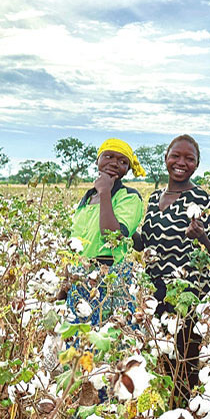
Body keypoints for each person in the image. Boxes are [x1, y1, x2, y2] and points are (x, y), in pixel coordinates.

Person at [139, 134, 210, 399]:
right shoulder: (153, 199)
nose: (181, 162)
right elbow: (144, 242)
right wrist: (122, 234)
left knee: (184, 360)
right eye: (176, 156)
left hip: (187, 292)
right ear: (166, 159)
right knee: (160, 357)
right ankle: (161, 417)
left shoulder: (201, 199)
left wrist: (201, 236)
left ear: (196, 164)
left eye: (189, 158)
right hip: (153, 291)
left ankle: (184, 416)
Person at [66, 138, 145, 326]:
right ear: (97, 160)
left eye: (123, 161)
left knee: (109, 338)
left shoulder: (130, 197)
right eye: (108, 156)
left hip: (111, 278)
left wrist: (105, 193)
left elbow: (112, 235)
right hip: (80, 277)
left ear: (127, 168)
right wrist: (66, 282)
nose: (114, 163)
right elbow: (73, 243)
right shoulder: (87, 198)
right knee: (78, 339)